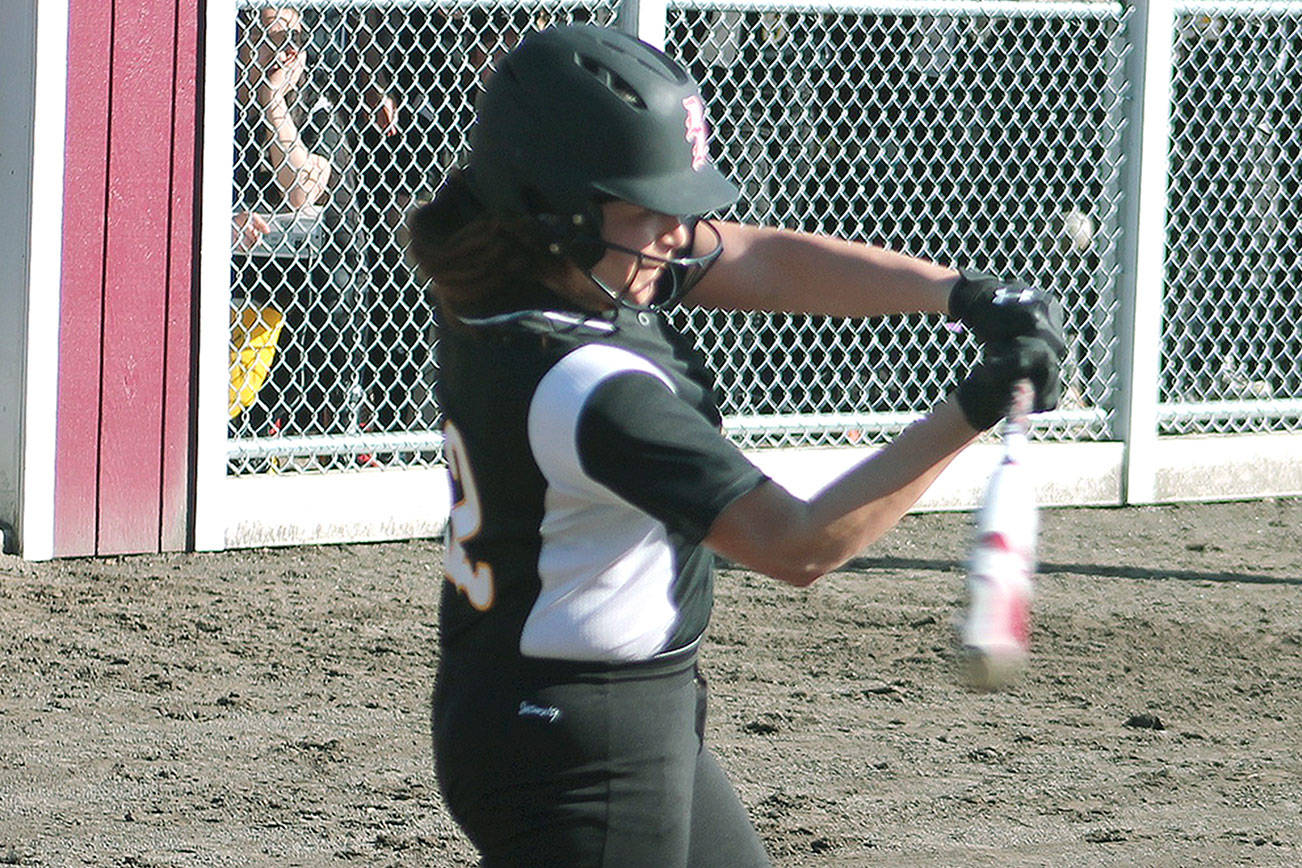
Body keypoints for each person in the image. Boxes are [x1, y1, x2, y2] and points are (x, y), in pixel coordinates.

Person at [405, 24, 1066, 866]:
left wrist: (963, 295)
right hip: (574, 748)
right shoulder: (588, 385)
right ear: (557, 211)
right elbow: (798, 544)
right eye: (650, 209)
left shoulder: (517, 270)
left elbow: (757, 260)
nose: (680, 235)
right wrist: (970, 409)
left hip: (592, 709)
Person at [230, 6, 364, 445]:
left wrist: (273, 105)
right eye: (272, 37)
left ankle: (326, 428)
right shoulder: (218, 109)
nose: (287, 50)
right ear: (241, 46)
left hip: (317, 273)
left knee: (335, 287)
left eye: (297, 39)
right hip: (245, 270)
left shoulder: (316, 108)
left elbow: (301, 192)